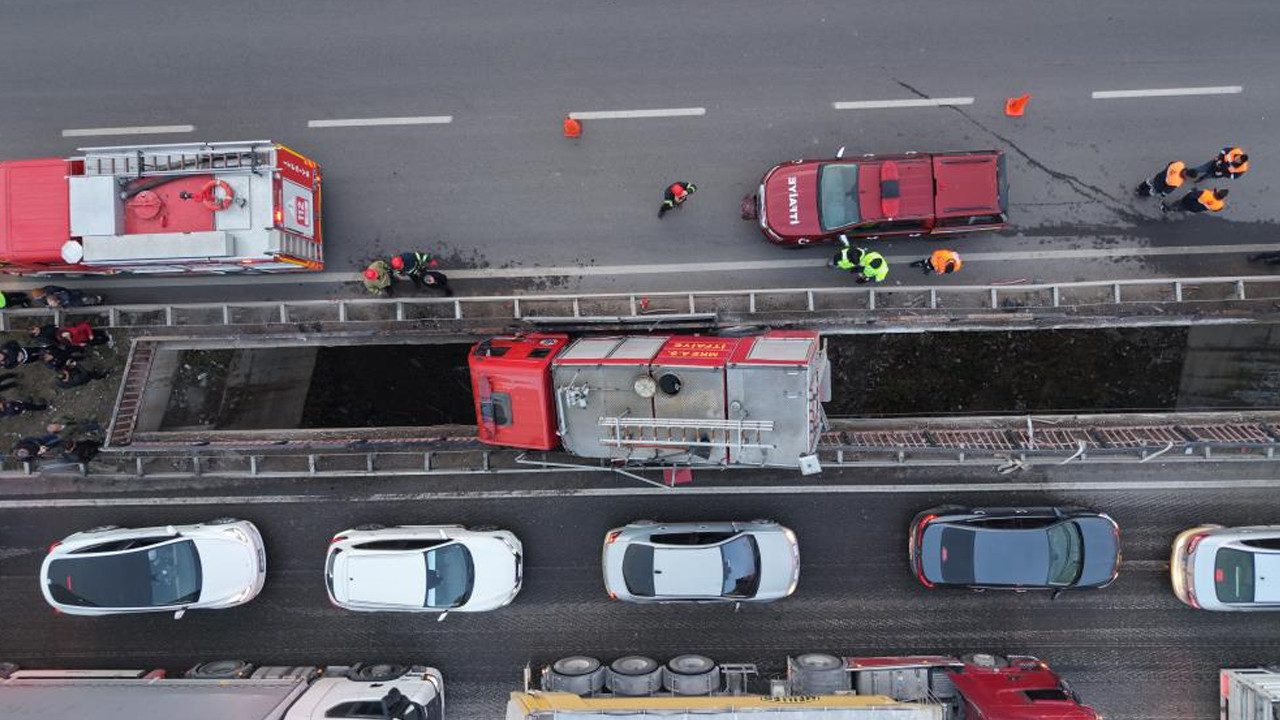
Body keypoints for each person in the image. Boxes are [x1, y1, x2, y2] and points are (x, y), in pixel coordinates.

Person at [1162, 188, 1228, 214]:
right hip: (1197, 209)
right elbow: (1215, 210)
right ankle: (1174, 210)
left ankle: (1168, 209)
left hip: (1191, 202)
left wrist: (1184, 198)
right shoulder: (1220, 205)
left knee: (1179, 203)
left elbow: (1191, 195)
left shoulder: (1207, 193)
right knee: (1184, 208)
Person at [30, 285, 103, 308]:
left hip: (68, 297)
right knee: (82, 300)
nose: (40, 297)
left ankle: (97, 299)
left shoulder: (48, 289)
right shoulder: (43, 297)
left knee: (83, 298)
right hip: (67, 300)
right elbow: (47, 304)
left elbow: (60, 289)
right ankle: (96, 299)